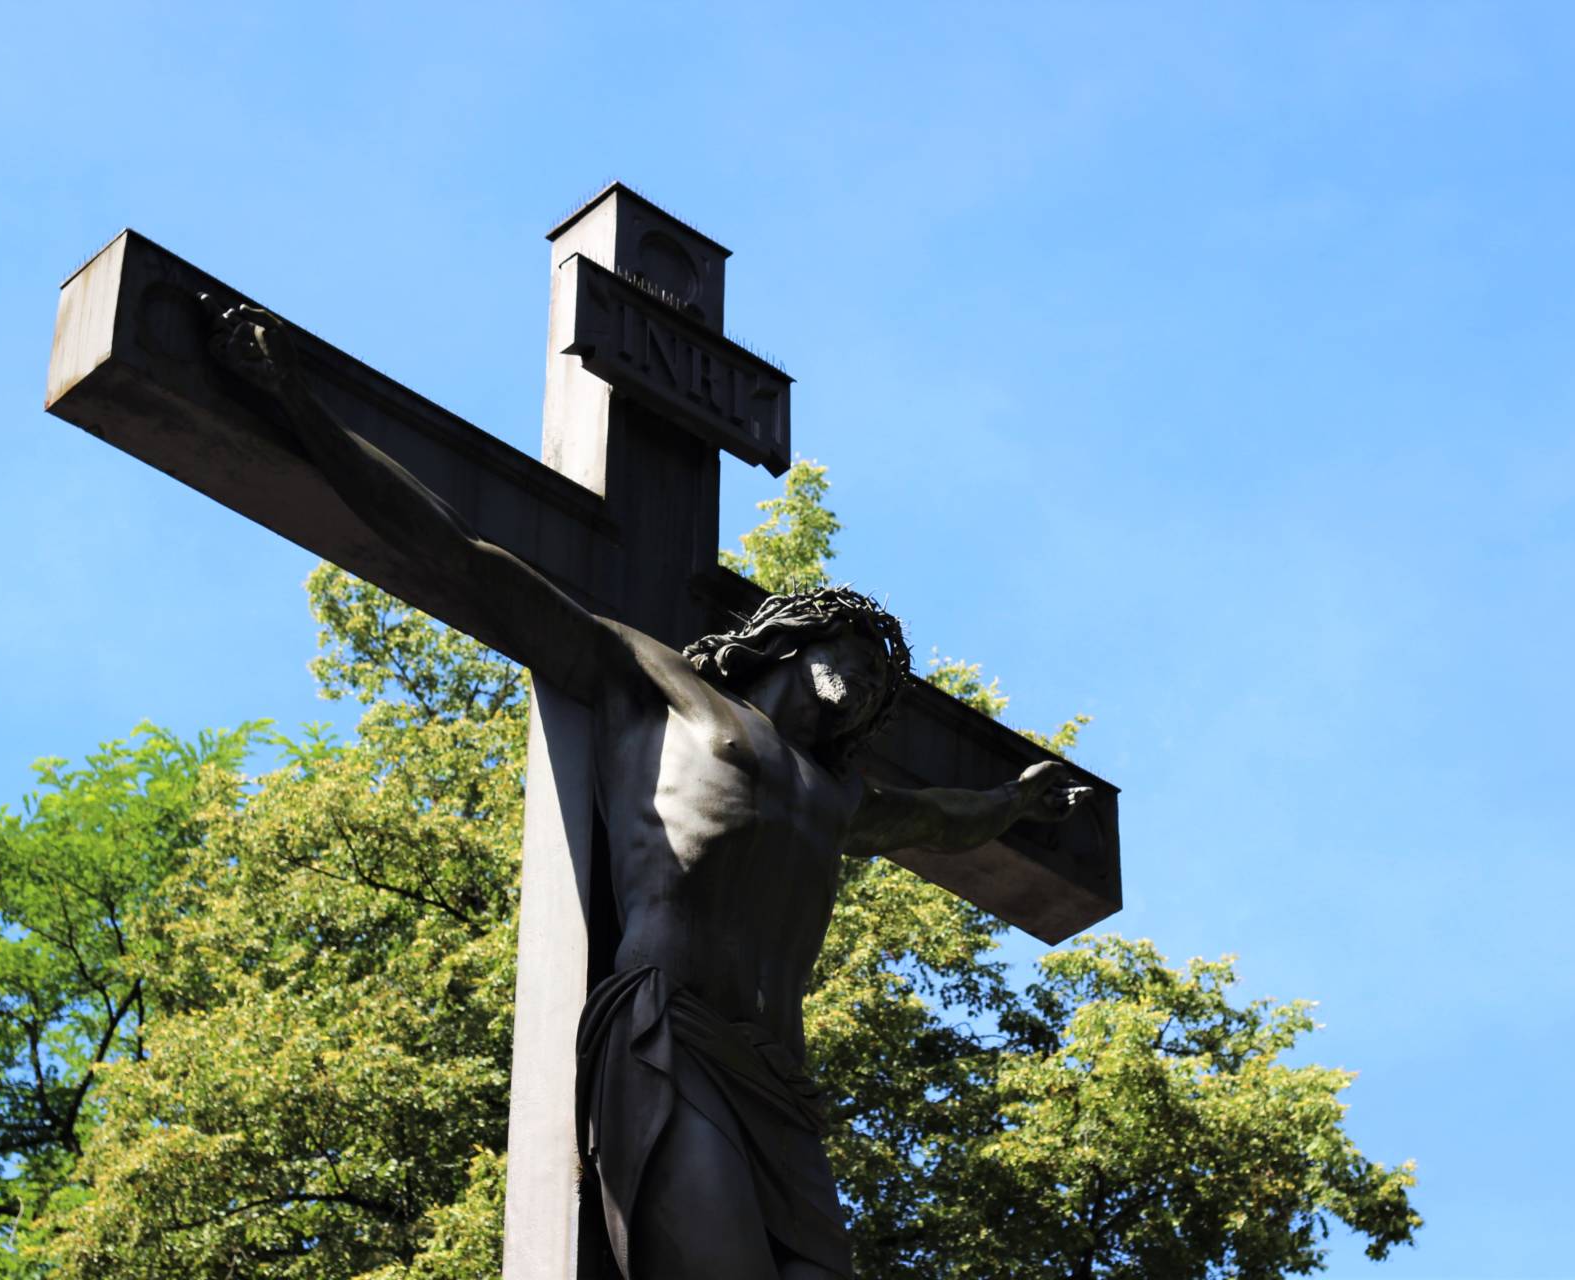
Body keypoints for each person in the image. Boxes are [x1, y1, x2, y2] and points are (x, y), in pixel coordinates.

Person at [207, 301, 1088, 1280]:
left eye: (885, 680)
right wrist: (301, 406)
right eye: (856, 653)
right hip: (674, 1030)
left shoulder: (837, 795)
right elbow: (460, 554)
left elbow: (937, 815)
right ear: (793, 635)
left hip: (782, 1085)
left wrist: (1015, 799)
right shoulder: (656, 678)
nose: (873, 680)